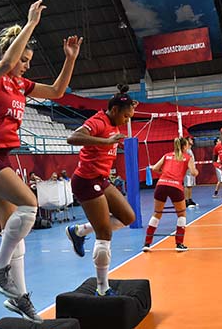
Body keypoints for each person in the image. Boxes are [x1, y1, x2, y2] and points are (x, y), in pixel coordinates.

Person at [0, 0, 82, 323]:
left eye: (29, 60)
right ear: (13, 54)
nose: (27, 65)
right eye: (25, 59)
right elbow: (7, 62)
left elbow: (58, 91)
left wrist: (69, 60)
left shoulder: (22, 85)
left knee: (12, 229)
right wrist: (30, 25)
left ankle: (20, 298)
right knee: (31, 204)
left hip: (0, 155)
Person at [65, 84, 137, 296]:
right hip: (86, 181)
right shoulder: (98, 121)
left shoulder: (116, 120)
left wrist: (129, 103)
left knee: (128, 217)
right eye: (126, 117)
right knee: (104, 232)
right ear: (114, 111)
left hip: (102, 179)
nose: (127, 121)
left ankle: (78, 231)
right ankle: (103, 288)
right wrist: (105, 141)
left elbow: (123, 107)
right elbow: (73, 138)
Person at [142, 137, 198, 252]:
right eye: (187, 145)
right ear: (184, 147)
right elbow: (193, 173)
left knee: (157, 213)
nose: (188, 147)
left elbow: (155, 168)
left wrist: (165, 173)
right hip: (175, 187)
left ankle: (147, 244)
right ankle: (179, 244)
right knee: (181, 215)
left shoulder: (167, 155)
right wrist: (196, 171)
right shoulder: (188, 157)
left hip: (161, 185)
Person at [184, 136, 198, 207]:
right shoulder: (186, 150)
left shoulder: (190, 149)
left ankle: (190, 199)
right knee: (187, 185)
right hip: (187, 170)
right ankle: (186, 201)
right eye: (190, 139)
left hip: (191, 169)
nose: (192, 140)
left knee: (190, 185)